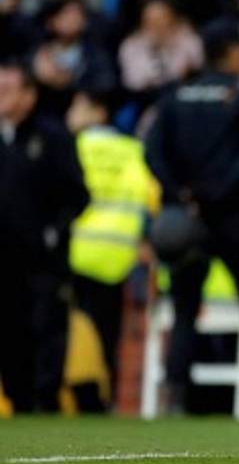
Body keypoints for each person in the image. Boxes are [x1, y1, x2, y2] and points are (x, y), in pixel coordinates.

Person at [143, 19, 239, 413]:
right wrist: (215, 194)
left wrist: (181, 194)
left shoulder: (175, 98)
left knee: (186, 308)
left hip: (187, 222)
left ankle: (174, 394)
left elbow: (151, 153)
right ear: (235, 53)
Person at [0, 61, 90, 412]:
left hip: (44, 256)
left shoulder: (52, 137)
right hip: (3, 257)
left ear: (28, 95)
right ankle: (18, 397)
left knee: (48, 325)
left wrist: (55, 229)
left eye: (8, 90)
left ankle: (46, 397)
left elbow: (78, 194)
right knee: (8, 327)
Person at [65, 88, 159, 408]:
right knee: (108, 337)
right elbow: (152, 201)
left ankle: (70, 399)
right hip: (117, 258)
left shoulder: (71, 147)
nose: (70, 114)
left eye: (78, 105)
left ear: (99, 111)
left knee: (64, 336)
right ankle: (104, 401)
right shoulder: (134, 151)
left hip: (71, 255)